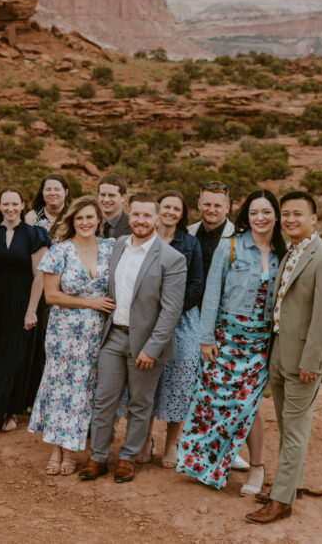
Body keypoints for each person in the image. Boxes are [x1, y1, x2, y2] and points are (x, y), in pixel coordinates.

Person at [177, 190, 285, 495]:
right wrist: (206, 338)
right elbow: (212, 294)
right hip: (224, 339)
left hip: (260, 343)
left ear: (276, 215)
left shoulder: (284, 251)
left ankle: (257, 467)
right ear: (245, 216)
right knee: (214, 404)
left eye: (266, 212)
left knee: (247, 405)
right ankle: (212, 465)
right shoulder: (231, 247)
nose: (260, 218)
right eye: (254, 213)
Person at [247, 192, 322, 525]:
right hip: (279, 352)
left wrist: (312, 362)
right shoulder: (290, 251)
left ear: (314, 218)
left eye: (297, 214)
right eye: (285, 214)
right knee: (289, 425)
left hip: (304, 360)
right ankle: (294, 484)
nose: (290, 220)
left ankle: (281, 501)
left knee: (294, 430)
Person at [80, 193, 186, 484]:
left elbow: (171, 311)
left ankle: (127, 458)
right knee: (104, 399)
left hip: (147, 344)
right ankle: (98, 456)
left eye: (146, 216)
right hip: (114, 336)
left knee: (141, 403)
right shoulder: (116, 246)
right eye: (136, 215)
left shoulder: (172, 259)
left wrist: (152, 348)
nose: (140, 220)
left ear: (156, 218)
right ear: (130, 214)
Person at [28, 197, 115, 475]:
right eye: (79, 218)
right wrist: (91, 302)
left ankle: (73, 447)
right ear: (72, 221)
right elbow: (51, 296)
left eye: (90, 217)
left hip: (98, 333)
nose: (85, 222)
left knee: (83, 390)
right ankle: (57, 449)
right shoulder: (59, 251)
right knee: (60, 388)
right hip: (64, 331)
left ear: (98, 220)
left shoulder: (111, 249)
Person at [119, 191, 204, 466]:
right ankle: (144, 440)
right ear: (158, 213)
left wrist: (170, 311)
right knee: (143, 382)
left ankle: (171, 444)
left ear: (182, 214)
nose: (170, 212)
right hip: (142, 319)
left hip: (181, 321)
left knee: (178, 381)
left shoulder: (190, 243)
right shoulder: (141, 240)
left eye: (176, 208)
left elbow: (196, 285)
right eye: (166, 206)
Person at [0, 187, 50, 431]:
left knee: (15, 358)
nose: (10, 208)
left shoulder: (35, 235)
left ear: (22, 204)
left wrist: (31, 311)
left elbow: (39, 276)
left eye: (14, 204)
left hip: (22, 303)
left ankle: (10, 411)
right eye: (5, 204)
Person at [188, 181, 236, 288]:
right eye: (207, 204)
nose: (211, 210)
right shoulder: (188, 233)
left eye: (217, 206)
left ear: (227, 208)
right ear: (199, 204)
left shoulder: (238, 238)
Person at [97, 173, 130, 239]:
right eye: (103, 195)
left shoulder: (132, 227)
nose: (106, 200)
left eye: (111, 195)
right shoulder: (89, 224)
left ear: (123, 198)